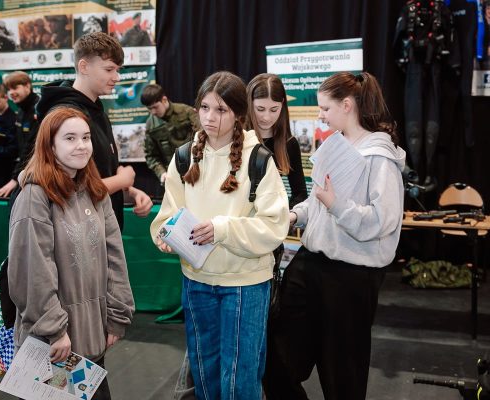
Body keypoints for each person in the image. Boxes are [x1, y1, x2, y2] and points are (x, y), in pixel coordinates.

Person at [264, 72, 405, 400]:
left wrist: (336, 205)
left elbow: (382, 221)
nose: (320, 115)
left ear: (347, 105)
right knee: (275, 355)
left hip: (351, 278)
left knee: (343, 374)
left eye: (325, 108)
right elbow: (317, 199)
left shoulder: (380, 157)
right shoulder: (335, 145)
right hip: (310, 264)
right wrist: (295, 215)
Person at [150, 71, 290, 400]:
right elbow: (167, 214)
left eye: (221, 110)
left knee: (240, 379)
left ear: (239, 114)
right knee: (204, 374)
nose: (210, 117)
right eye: (204, 107)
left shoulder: (258, 159)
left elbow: (274, 225)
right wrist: (166, 235)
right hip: (196, 281)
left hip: (245, 284)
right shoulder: (183, 156)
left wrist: (222, 229)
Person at [8, 106, 134, 400]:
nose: (81, 145)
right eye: (70, 138)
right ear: (50, 145)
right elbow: (32, 270)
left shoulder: (94, 191)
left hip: (92, 341)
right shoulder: (34, 196)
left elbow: (114, 256)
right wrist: (54, 330)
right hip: (54, 347)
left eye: (86, 137)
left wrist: (118, 315)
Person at [36, 32, 152, 229]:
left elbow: (96, 177)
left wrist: (128, 191)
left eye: (118, 70)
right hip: (78, 234)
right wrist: (120, 180)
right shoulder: (64, 115)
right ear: (84, 67)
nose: (116, 77)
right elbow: (66, 189)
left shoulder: (97, 111)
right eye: (109, 69)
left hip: (101, 229)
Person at [246, 73, 307, 209]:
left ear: (282, 105)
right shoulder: (237, 138)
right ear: (249, 104)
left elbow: (300, 194)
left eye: (274, 110)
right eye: (260, 109)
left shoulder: (289, 144)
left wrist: (288, 215)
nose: (266, 117)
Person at [140, 83, 198, 184]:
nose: (153, 112)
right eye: (149, 109)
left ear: (164, 100)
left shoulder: (186, 112)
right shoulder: (151, 124)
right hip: (172, 177)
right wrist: (162, 173)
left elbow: (203, 136)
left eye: (155, 107)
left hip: (195, 170)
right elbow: (151, 156)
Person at [0, 71, 40, 198]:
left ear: (27, 86)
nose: (11, 93)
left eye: (15, 88)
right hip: (24, 170)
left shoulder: (38, 109)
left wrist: (15, 179)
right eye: (9, 89)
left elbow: (31, 148)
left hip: (38, 173)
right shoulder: (20, 111)